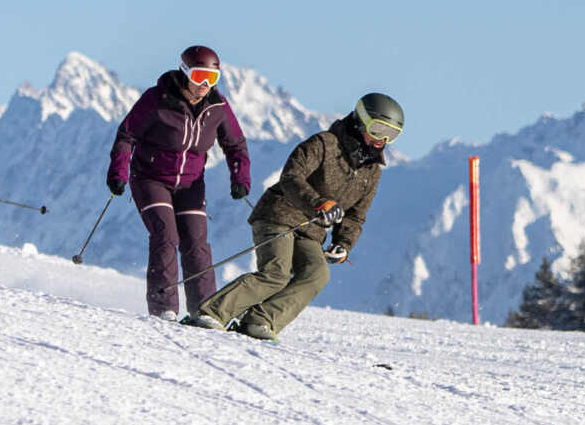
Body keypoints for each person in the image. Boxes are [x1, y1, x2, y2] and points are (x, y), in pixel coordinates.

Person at [188, 94, 403, 341]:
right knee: (275, 274)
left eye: (391, 134)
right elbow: (291, 177)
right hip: (278, 214)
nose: (383, 140)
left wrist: (343, 244)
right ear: (360, 121)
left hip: (310, 231)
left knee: (317, 273)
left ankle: (260, 320)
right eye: (378, 130)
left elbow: (356, 216)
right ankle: (211, 313)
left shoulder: (372, 172)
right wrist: (318, 203)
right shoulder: (325, 144)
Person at [108, 45, 252, 320]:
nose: (205, 85)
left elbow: (236, 145)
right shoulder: (157, 100)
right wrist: (118, 173)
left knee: (196, 242)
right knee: (166, 235)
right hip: (150, 179)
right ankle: (164, 308)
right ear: (185, 73)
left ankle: (204, 310)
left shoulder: (218, 108)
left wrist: (240, 176)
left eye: (212, 79)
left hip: (191, 184)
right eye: (199, 76)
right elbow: (126, 135)